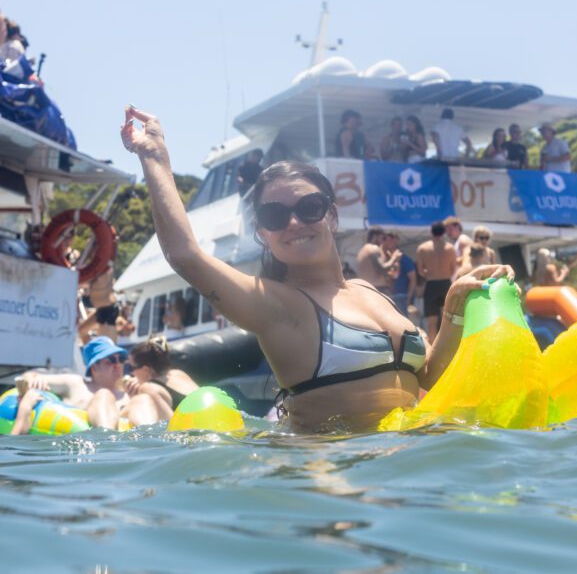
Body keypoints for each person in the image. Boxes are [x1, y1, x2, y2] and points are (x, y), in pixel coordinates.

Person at [120, 105, 514, 431]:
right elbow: (185, 256)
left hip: (404, 464)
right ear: (264, 233)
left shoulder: (369, 293)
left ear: (331, 215)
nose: (293, 224)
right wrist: (154, 158)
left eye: (308, 208)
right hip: (327, 474)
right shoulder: (277, 307)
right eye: (275, 216)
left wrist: (453, 309)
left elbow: (429, 375)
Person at [21, 336, 159, 429]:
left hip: (130, 444)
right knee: (104, 395)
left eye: (121, 359)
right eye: (110, 360)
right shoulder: (75, 383)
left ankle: (153, 445)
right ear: (94, 367)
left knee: (144, 398)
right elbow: (28, 376)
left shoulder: (130, 391)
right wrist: (34, 379)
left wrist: (143, 389)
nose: (118, 365)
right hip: (86, 439)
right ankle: (107, 441)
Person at [125, 337, 199, 419]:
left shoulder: (147, 388)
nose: (131, 373)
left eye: (130, 368)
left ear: (145, 369)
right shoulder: (179, 374)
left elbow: (170, 426)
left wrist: (134, 399)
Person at [416, 222, 457, 342]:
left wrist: (429, 274)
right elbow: (453, 269)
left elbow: (420, 271)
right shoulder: (450, 248)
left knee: (431, 324)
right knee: (448, 321)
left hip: (431, 285)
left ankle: (432, 353)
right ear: (444, 232)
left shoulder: (423, 248)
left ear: (431, 232)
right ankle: (448, 348)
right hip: (445, 284)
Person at [356, 227, 402, 293]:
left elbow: (388, 274)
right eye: (382, 237)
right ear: (375, 236)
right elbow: (382, 269)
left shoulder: (363, 249)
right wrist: (394, 258)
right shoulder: (373, 248)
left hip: (366, 288)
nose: (383, 240)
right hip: (376, 289)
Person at [382, 232, 416, 315]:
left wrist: (409, 297)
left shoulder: (404, 259)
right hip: (387, 296)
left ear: (396, 241)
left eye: (391, 240)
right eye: (386, 240)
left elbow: (413, 278)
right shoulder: (383, 259)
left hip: (400, 296)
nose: (388, 242)